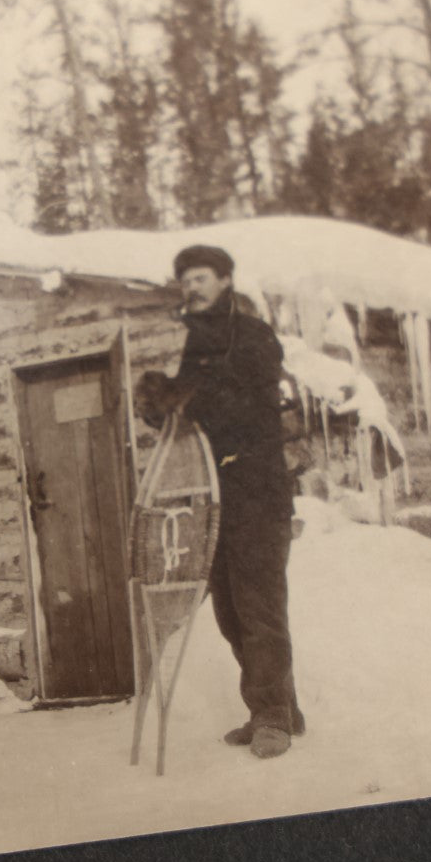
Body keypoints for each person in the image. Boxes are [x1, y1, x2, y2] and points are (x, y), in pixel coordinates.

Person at [140, 244, 304, 759]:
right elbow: (172, 420)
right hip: (209, 496)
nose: (193, 286)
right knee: (230, 612)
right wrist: (153, 400)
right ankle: (283, 710)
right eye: (186, 278)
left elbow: (251, 408)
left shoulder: (253, 337)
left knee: (260, 607)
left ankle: (271, 715)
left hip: (257, 488)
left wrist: (188, 397)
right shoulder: (179, 342)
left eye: (203, 277)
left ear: (226, 280)